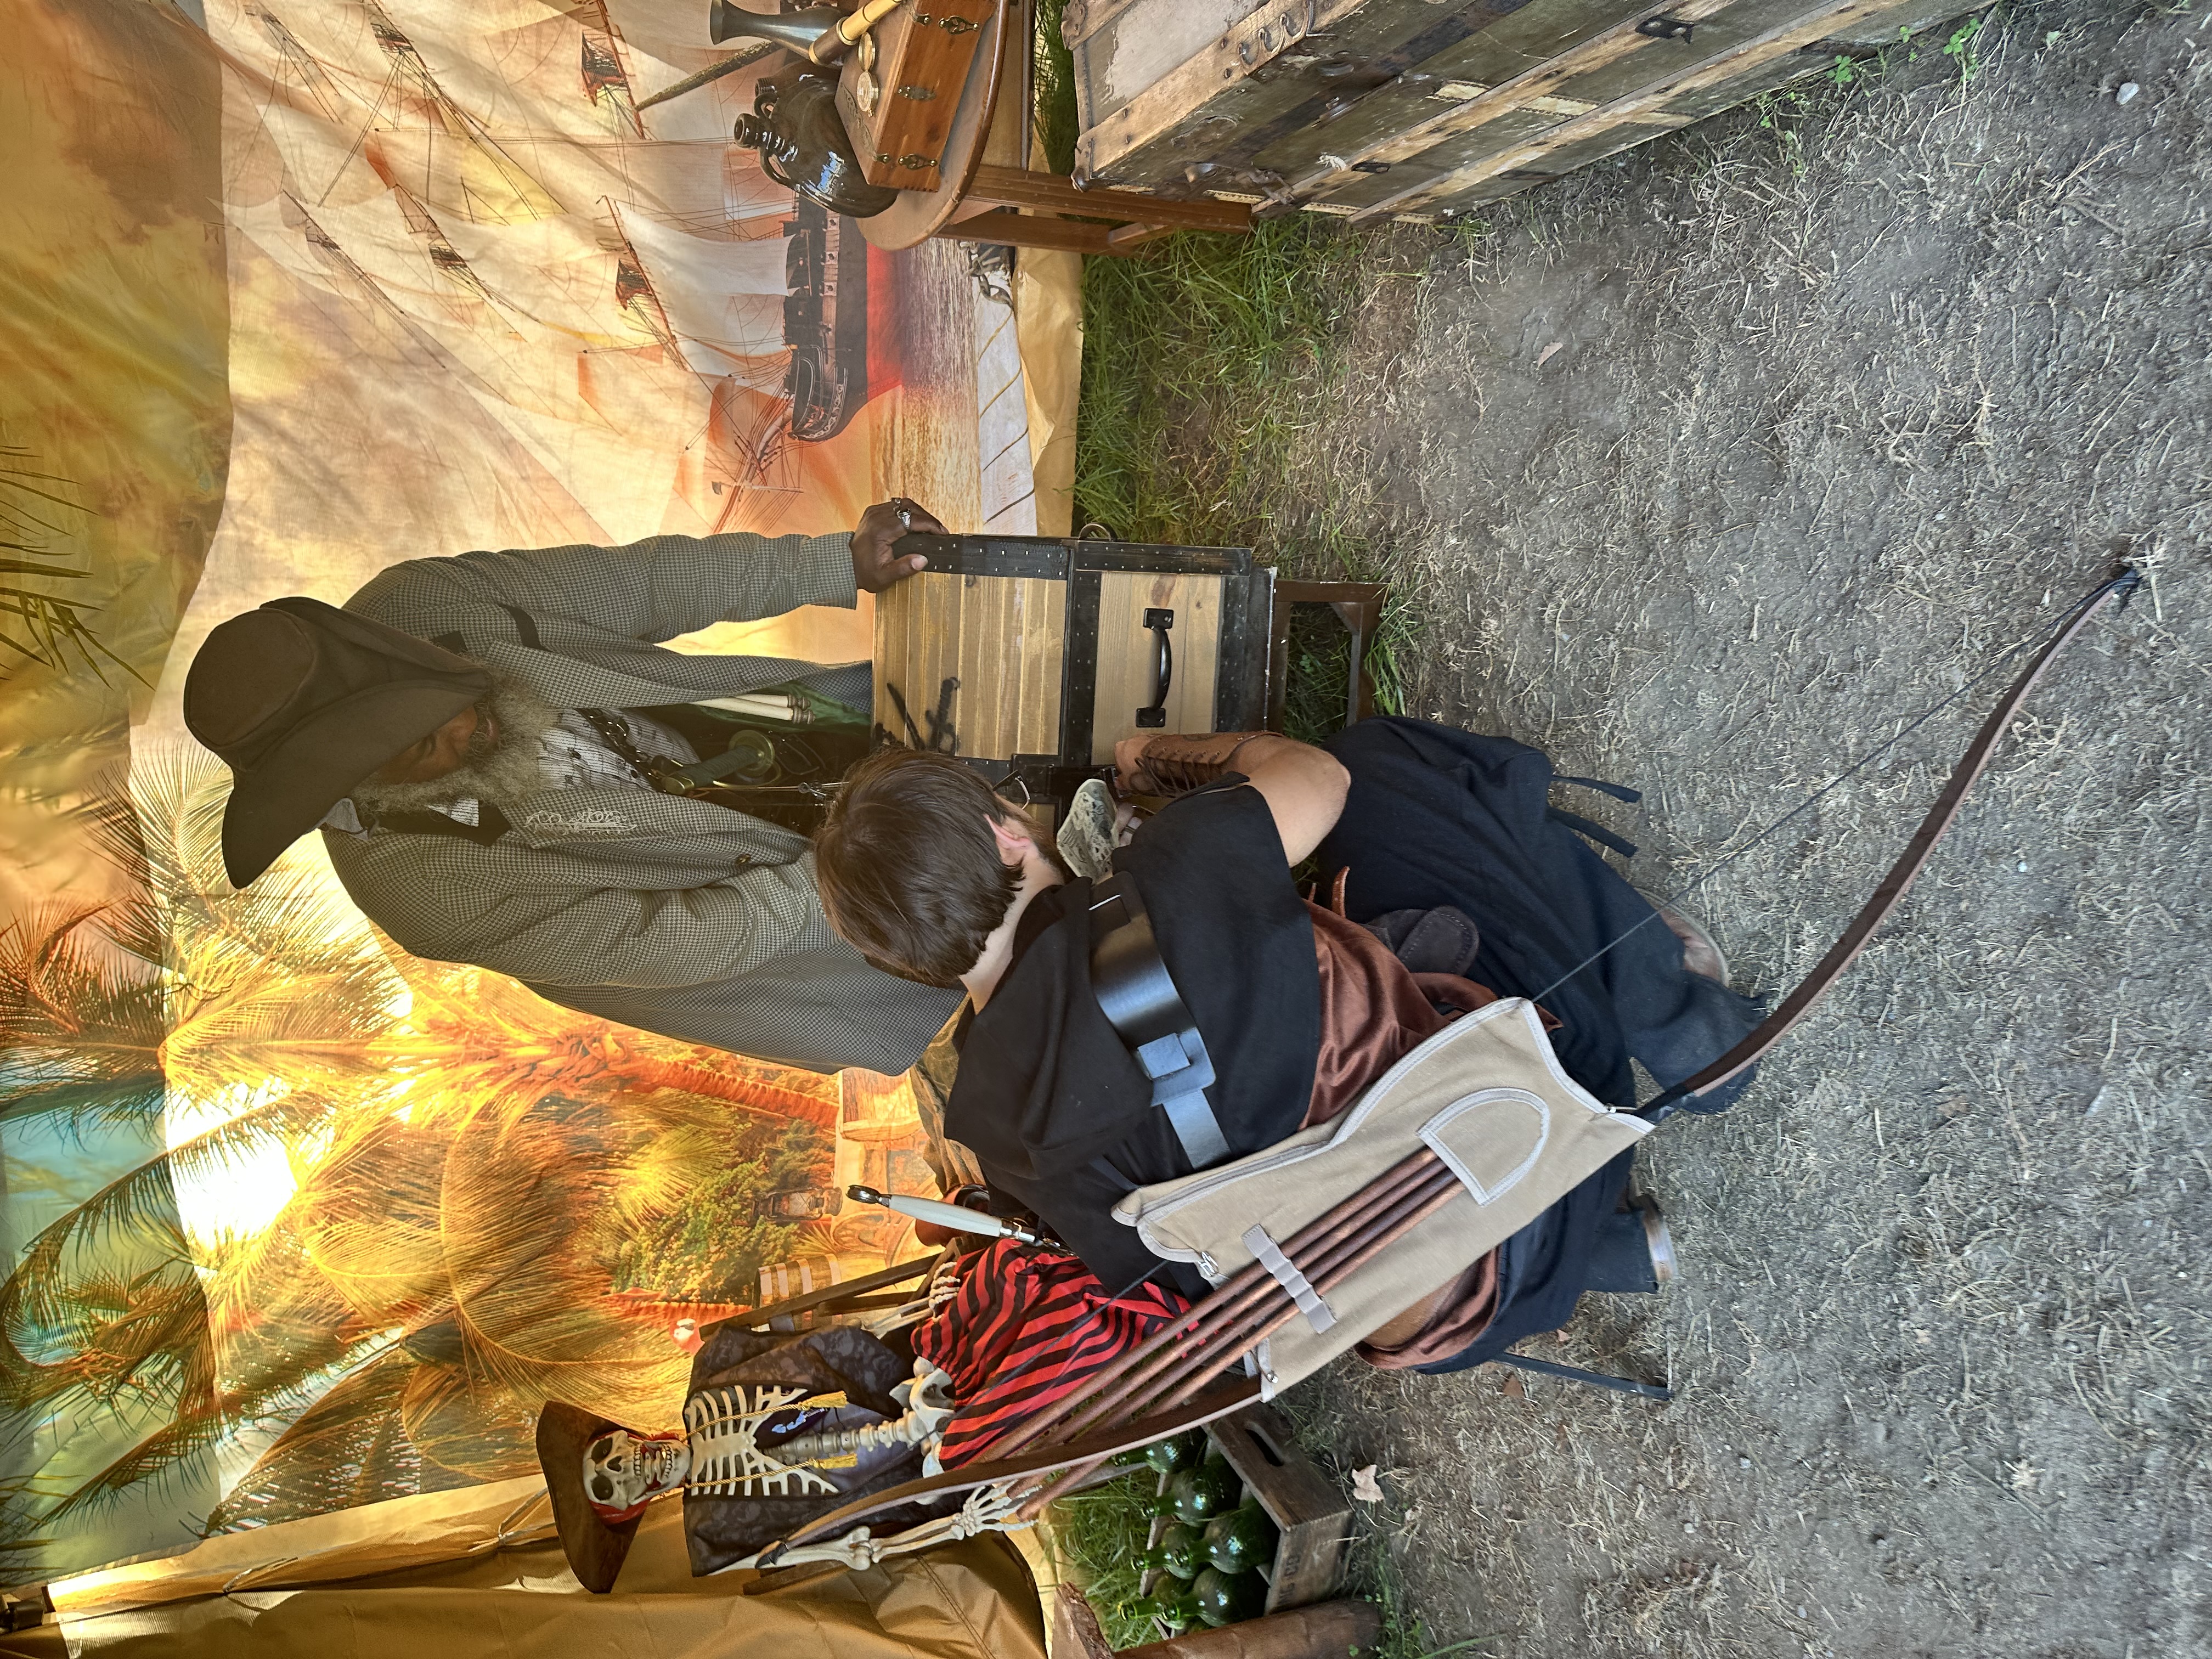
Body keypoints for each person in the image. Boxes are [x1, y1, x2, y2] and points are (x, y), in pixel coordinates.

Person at [812, 719, 1766, 1373]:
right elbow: (1322, 776)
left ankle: (1610, 1253)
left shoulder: (1001, 1147)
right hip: (1539, 1128)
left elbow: (1194, 1287)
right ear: (1007, 835)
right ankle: (1696, 1033)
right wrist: (1169, 755)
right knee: (1391, 772)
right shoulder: (1158, 885)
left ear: (908, 962)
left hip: (1447, 1316)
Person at [182, 506, 963, 1075]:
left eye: (434, 693)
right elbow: (680, 941)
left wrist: (835, 563)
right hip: (821, 929)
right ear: (350, 786)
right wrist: (886, 855)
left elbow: (641, 584)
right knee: (1038, 954)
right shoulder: (421, 893)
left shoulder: (417, 605)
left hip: (810, 729)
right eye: (423, 744)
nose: (461, 722)